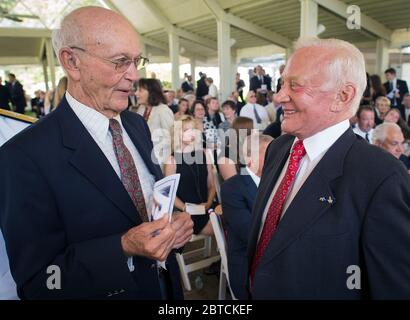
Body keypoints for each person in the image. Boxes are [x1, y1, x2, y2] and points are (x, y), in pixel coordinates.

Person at [0, 6, 193, 300]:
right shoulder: (22, 157)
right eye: (120, 62)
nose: (133, 75)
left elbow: (148, 201)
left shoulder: (135, 124)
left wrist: (175, 224)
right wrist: (123, 248)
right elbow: (39, 283)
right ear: (72, 62)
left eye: (136, 61)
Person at [248, 37, 410, 299]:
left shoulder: (382, 176)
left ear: (342, 96)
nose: (278, 96)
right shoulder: (279, 149)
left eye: (295, 85)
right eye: (282, 83)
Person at [221, 133, 272, 299]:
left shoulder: (276, 182)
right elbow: (250, 235)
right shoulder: (232, 187)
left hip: (275, 258)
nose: (277, 158)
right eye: (270, 153)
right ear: (250, 157)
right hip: (249, 267)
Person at [164, 115, 215, 236]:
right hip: (188, 213)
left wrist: (208, 203)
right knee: (227, 229)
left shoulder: (203, 154)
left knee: (232, 219)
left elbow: (212, 185)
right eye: (186, 130)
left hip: (207, 206)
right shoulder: (172, 161)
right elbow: (169, 194)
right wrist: (186, 208)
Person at [135, 78, 175, 169]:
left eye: (140, 90)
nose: (136, 93)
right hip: (144, 159)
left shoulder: (163, 110)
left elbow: (172, 137)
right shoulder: (141, 109)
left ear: (151, 92)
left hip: (160, 162)